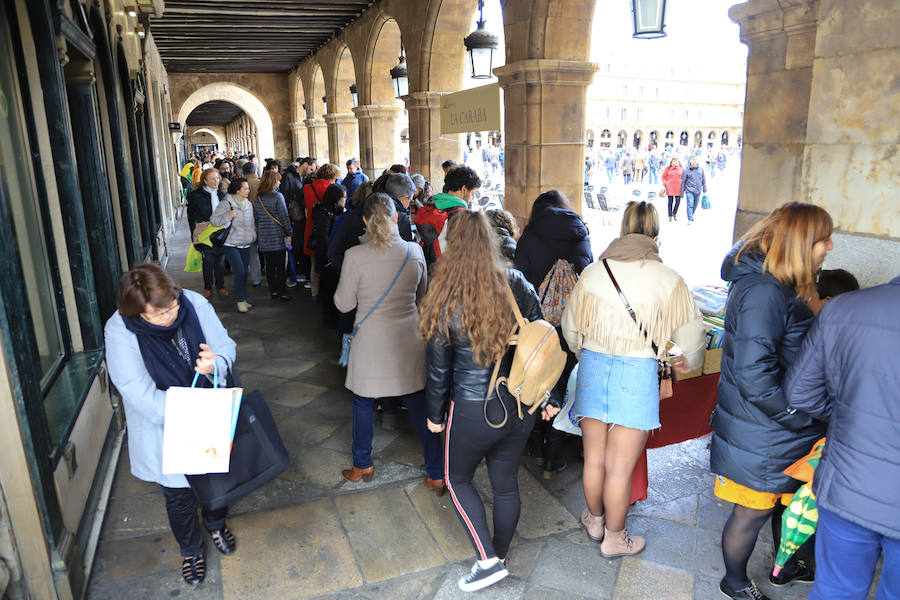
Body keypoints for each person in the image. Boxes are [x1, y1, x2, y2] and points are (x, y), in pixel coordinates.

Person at [421, 210, 561, 593]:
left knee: (456, 478)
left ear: (452, 245)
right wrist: (549, 395)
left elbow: (438, 367)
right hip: (519, 403)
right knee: (505, 484)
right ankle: (499, 554)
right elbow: (543, 340)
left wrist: (434, 414)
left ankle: (487, 561)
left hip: (472, 409)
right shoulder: (517, 282)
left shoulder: (447, 293)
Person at [561, 201, 705, 557]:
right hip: (638, 372)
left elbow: (571, 328)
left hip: (593, 366)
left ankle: (595, 520)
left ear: (623, 229)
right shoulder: (668, 278)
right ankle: (615, 538)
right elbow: (692, 340)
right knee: (619, 469)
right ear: (655, 234)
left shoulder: (594, 272)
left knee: (594, 459)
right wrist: (689, 360)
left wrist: (586, 353)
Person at [711, 202, 834, 600]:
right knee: (752, 511)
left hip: (776, 428)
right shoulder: (764, 290)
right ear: (801, 242)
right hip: (765, 431)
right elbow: (753, 375)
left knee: (784, 503)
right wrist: (798, 417)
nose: (830, 247)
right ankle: (734, 582)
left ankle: (787, 567)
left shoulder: (779, 284)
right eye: (823, 239)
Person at [104, 264, 238, 586]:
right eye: (157, 314)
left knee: (218, 480)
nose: (168, 316)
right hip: (166, 425)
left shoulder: (192, 303)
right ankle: (191, 550)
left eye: (171, 307)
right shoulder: (120, 330)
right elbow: (139, 393)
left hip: (210, 411)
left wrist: (215, 365)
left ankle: (216, 524)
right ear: (136, 312)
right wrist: (198, 410)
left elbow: (225, 346)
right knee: (179, 495)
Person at [785, 275, 900, 600]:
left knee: (836, 589)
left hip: (847, 483)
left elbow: (800, 392)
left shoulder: (843, 308)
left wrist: (850, 418)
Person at [333, 194, 441, 488]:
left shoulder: (355, 256)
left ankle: (363, 464)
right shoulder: (414, 252)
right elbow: (422, 297)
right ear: (396, 217)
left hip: (370, 341)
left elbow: (343, 304)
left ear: (365, 221)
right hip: (408, 339)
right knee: (419, 403)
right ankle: (435, 473)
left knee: (362, 402)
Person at [514, 190, 593, 477]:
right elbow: (588, 277)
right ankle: (553, 456)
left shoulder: (529, 237)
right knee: (566, 382)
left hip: (538, 325)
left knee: (539, 378)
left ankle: (535, 446)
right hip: (571, 324)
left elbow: (520, 282)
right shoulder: (581, 235)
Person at [416, 166, 480, 265]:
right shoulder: (462, 216)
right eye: (472, 193)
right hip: (448, 272)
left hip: (427, 269)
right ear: (464, 189)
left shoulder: (431, 206)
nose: (471, 199)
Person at [209, 177, 256, 313]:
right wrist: (229, 215)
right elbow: (214, 220)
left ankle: (243, 298)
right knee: (239, 271)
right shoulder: (226, 203)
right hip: (230, 244)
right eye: (245, 188)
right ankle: (240, 300)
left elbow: (251, 223)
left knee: (244, 272)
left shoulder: (248, 204)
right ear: (237, 190)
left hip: (245, 243)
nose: (248, 190)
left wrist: (253, 236)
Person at [186, 168, 227, 299]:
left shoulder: (223, 195)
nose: (216, 181)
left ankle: (220, 286)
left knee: (220, 262)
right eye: (212, 179)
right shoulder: (195, 196)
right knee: (208, 262)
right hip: (204, 233)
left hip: (220, 233)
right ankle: (208, 288)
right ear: (205, 181)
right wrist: (193, 235)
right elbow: (191, 217)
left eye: (217, 178)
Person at [253, 170, 292, 300]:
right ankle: (282, 290)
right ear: (273, 182)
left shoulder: (258, 198)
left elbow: (257, 217)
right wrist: (289, 232)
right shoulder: (278, 196)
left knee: (269, 266)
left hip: (264, 236)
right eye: (278, 180)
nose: (279, 182)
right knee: (280, 266)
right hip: (277, 236)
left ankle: (273, 290)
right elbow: (284, 216)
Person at [303, 163, 339, 301]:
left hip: (312, 229)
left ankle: (314, 293)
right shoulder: (333, 189)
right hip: (328, 228)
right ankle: (327, 293)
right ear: (332, 176)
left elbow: (307, 209)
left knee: (314, 264)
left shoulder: (307, 188)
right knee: (329, 263)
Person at [311, 183, 346, 326]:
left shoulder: (334, 210)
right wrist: (329, 257)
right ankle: (330, 319)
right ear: (336, 199)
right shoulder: (324, 213)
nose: (345, 199)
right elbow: (323, 237)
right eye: (344, 197)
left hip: (331, 255)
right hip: (328, 256)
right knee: (329, 288)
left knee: (331, 287)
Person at [680, 155, 707, 224]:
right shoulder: (686, 170)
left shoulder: (700, 169)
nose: (694, 161)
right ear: (690, 161)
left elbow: (703, 180)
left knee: (695, 205)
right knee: (690, 204)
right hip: (689, 191)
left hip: (698, 191)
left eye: (695, 159)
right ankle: (690, 219)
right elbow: (683, 182)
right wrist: (681, 193)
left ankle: (691, 215)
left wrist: (704, 189)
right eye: (693, 159)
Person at [661, 157, 684, 222]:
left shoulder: (681, 168)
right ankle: (670, 215)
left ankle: (674, 213)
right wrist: (665, 183)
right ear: (671, 162)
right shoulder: (668, 168)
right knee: (670, 201)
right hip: (670, 187)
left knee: (678, 201)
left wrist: (684, 186)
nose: (675, 162)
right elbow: (663, 177)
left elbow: (684, 177)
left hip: (678, 187)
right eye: (674, 161)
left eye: (676, 161)